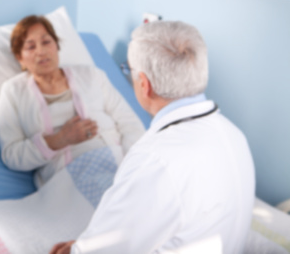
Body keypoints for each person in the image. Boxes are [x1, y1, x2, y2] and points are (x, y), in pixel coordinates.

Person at [50, 21, 255, 254]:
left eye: (128, 70)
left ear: (144, 84)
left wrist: (77, 250)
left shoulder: (154, 160)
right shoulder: (233, 134)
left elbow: (107, 249)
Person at [0, 15, 145, 188]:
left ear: (56, 45)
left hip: (117, 163)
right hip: (67, 179)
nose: (41, 51)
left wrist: (130, 168)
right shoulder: (13, 92)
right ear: (19, 57)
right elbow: (12, 155)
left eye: (46, 42)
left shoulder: (92, 75)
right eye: (30, 46)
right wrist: (60, 139)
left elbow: (130, 124)